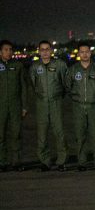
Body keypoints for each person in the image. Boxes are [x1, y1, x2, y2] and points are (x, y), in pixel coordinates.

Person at [65, 42, 95, 171]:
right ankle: (81, 162)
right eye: (82, 52)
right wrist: (76, 98)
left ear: (90, 53)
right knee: (80, 135)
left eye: (87, 51)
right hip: (78, 106)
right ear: (78, 54)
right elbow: (67, 87)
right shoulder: (73, 70)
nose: (84, 54)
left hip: (94, 106)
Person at [29, 40, 69, 171]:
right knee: (42, 135)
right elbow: (33, 85)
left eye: (47, 49)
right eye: (42, 49)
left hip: (56, 102)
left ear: (51, 50)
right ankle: (45, 161)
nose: (45, 52)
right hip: (41, 104)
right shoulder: (35, 67)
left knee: (59, 132)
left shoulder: (60, 65)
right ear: (39, 51)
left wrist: (58, 96)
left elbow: (65, 83)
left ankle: (61, 161)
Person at [0, 40, 28, 172]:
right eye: (6, 49)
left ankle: (16, 162)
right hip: (1, 107)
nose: (9, 52)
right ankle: (2, 162)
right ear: (0, 51)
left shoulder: (18, 65)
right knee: (1, 135)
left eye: (10, 49)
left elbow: (23, 87)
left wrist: (24, 106)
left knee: (16, 134)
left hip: (15, 106)